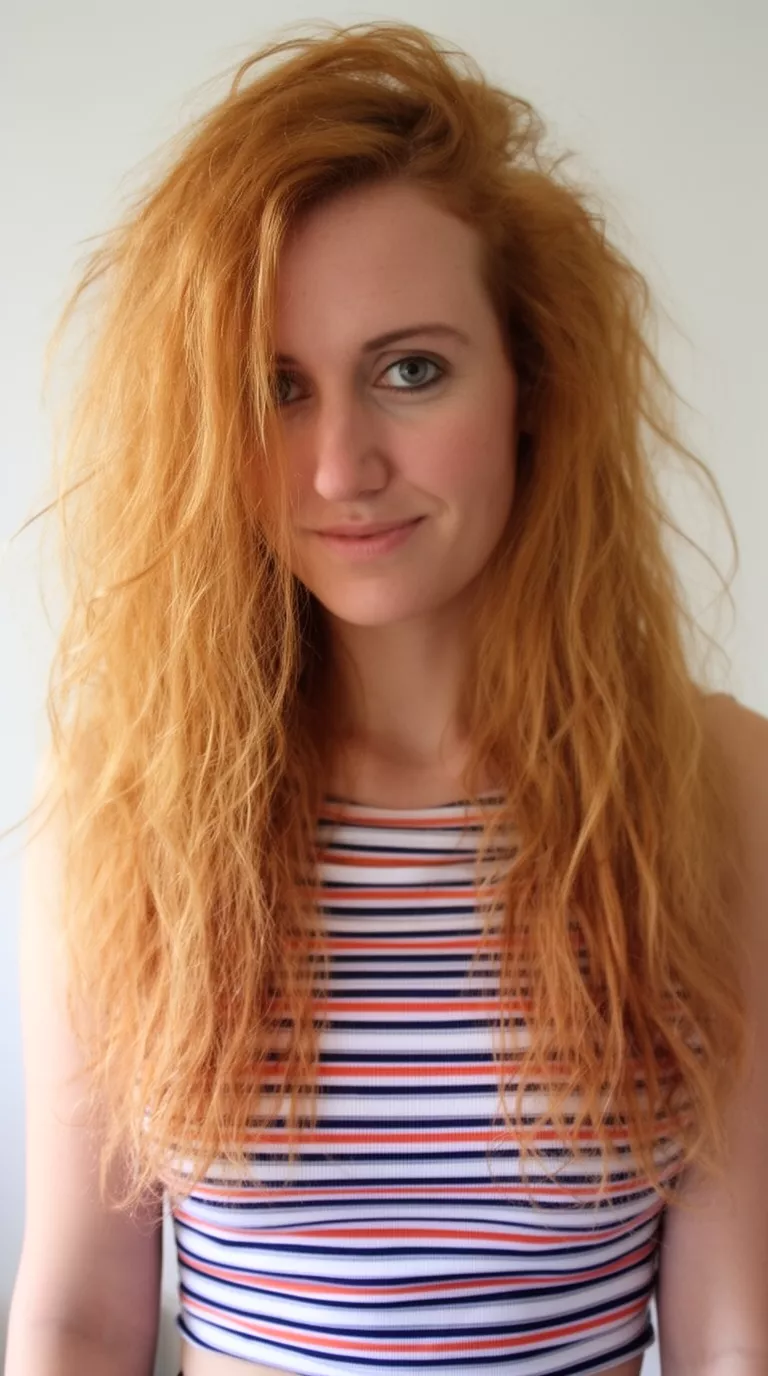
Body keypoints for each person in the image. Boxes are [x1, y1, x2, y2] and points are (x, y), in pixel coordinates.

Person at [6, 19, 768, 1376]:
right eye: (276, 390)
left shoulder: (720, 783)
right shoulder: (125, 804)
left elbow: (733, 1325)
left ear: (534, 387)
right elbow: (79, 1315)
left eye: (409, 370)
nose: (339, 466)